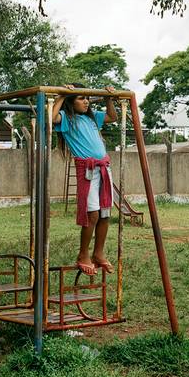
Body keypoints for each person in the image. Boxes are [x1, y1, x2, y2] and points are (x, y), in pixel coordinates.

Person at [53, 84, 117, 275]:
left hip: (104, 167)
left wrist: (108, 98)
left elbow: (112, 117)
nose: (86, 101)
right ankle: (83, 254)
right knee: (93, 214)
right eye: (81, 98)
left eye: (87, 98)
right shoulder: (67, 119)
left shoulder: (91, 118)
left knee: (105, 213)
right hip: (87, 169)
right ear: (71, 103)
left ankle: (98, 253)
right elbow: (50, 117)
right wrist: (62, 96)